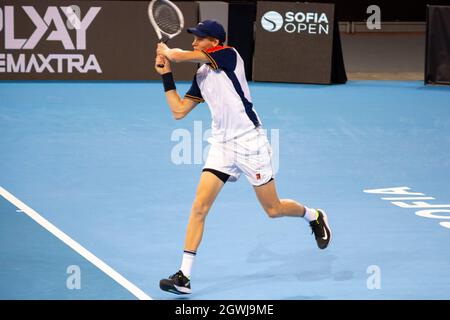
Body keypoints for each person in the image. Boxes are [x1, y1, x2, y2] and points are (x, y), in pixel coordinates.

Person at [155, 20, 332, 295]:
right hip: (222, 145)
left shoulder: (229, 55)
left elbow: (179, 55)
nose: (193, 42)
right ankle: (184, 277)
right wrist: (166, 76)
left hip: (251, 143)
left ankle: (314, 215)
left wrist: (168, 52)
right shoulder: (201, 76)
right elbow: (178, 111)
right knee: (199, 206)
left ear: (214, 42)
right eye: (193, 38)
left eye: (198, 38)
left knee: (273, 209)